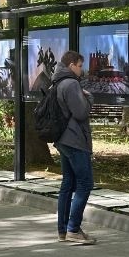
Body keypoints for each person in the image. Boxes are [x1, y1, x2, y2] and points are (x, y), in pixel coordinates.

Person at [53, 50, 97, 245]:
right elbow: (80, 113)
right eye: (79, 66)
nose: (81, 69)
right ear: (71, 65)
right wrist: (89, 98)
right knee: (85, 183)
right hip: (75, 140)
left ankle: (63, 230)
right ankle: (72, 229)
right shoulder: (71, 84)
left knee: (68, 183)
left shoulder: (57, 81)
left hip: (63, 139)